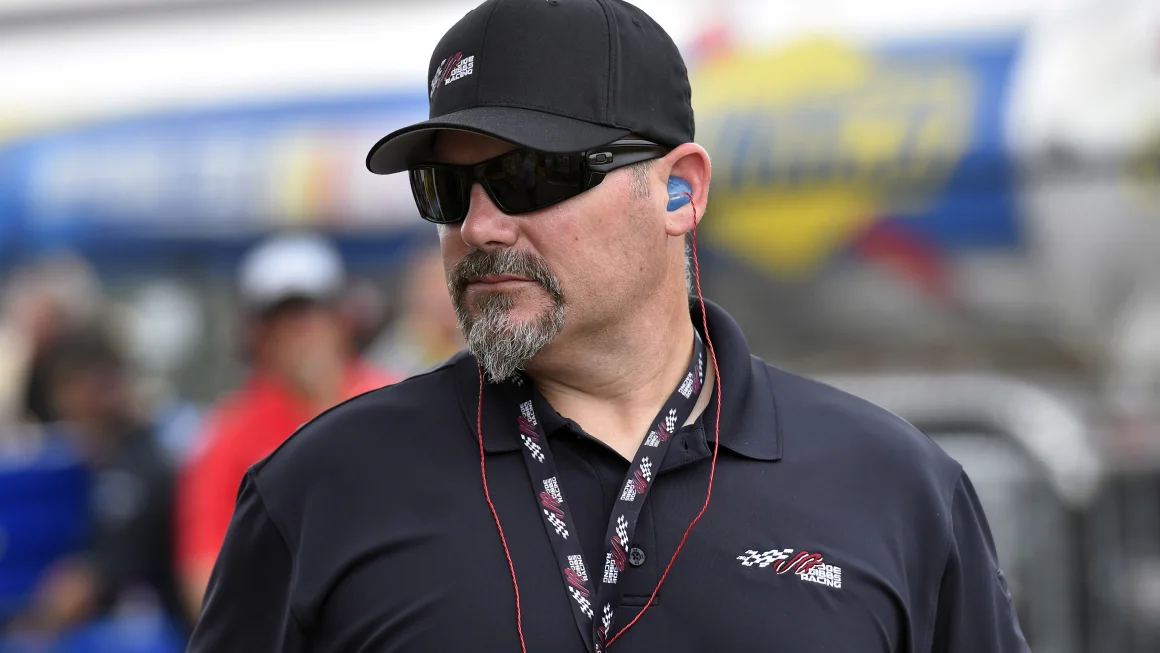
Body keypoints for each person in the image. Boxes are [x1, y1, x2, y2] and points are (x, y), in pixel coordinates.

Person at [189, 2, 1029, 651]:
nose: (480, 225)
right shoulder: (323, 487)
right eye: (447, 189)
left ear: (679, 190)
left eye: (529, 173)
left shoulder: (892, 485)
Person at [176, 232, 395, 622]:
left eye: (310, 312)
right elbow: (203, 578)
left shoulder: (396, 397)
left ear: (342, 318)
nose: (299, 332)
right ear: (257, 335)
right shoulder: (228, 434)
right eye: (281, 319)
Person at [7, 326, 184, 636]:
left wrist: (26, 631)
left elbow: (84, 586)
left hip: (160, 628)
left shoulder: (145, 464)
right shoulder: (88, 460)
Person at [366, 243, 465, 377]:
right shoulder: (399, 347)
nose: (444, 294)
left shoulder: (481, 339)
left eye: (452, 281)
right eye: (433, 284)